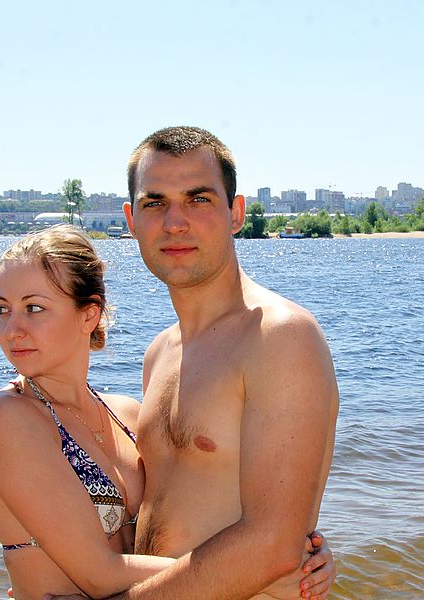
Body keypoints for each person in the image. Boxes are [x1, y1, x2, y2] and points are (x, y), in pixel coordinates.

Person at [56, 126, 340, 599]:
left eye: (198, 199)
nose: (174, 222)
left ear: (236, 213)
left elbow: (273, 545)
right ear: (131, 219)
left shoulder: (279, 337)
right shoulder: (160, 353)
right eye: (155, 203)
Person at [0, 225, 334, 599]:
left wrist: (302, 555)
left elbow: (186, 511)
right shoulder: (9, 417)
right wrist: (256, 569)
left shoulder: (126, 414)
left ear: (88, 315)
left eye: (34, 308)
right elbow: (98, 572)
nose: (12, 330)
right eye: (2, 310)